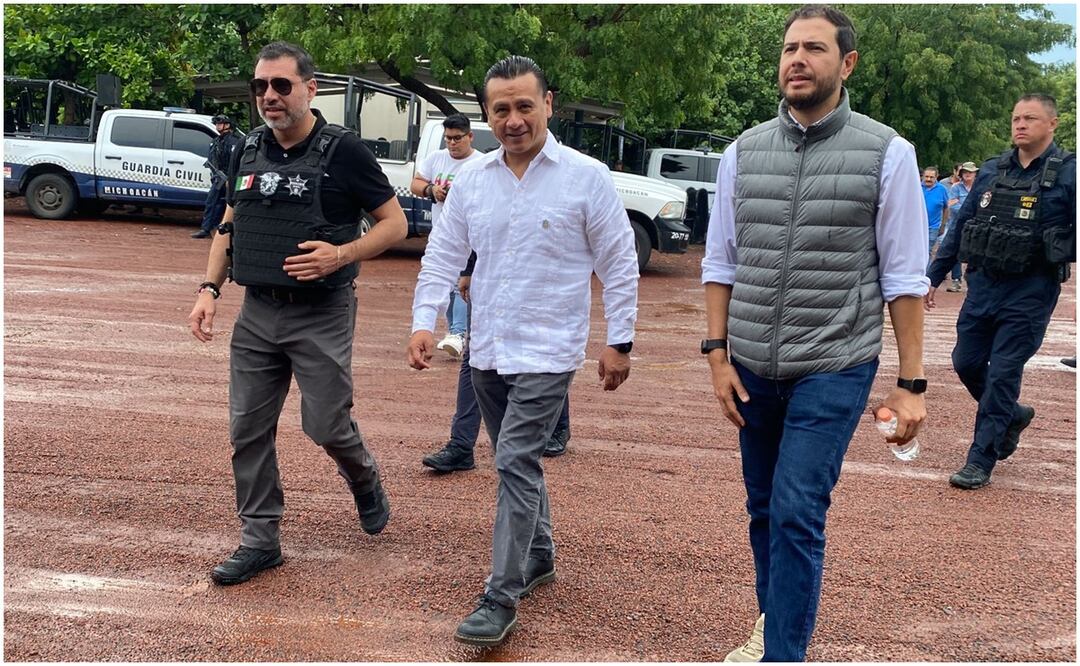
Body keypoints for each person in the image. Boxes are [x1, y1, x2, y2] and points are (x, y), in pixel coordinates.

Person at [702, 5, 928, 661]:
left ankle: (782, 655)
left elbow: (906, 277)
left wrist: (911, 385)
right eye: (789, 48)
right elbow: (721, 261)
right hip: (749, 366)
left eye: (814, 49)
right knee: (765, 510)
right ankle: (775, 626)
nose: (796, 59)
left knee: (798, 510)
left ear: (846, 63)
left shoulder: (887, 153)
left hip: (834, 363)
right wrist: (717, 356)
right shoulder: (742, 152)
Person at [407, 55, 638, 647]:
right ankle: (539, 556)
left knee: (512, 461)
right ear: (488, 114)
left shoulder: (586, 177)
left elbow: (618, 264)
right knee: (520, 463)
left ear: (548, 104)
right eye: (501, 109)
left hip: (549, 350)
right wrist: (423, 321)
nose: (513, 120)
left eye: (524, 106)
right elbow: (442, 254)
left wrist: (619, 341)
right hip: (487, 349)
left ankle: (500, 596)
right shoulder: (474, 181)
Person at [187, 41, 407, 585]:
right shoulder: (248, 150)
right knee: (247, 428)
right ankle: (260, 540)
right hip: (258, 312)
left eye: (281, 85)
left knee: (326, 423)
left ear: (310, 88)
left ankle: (363, 478)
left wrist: (342, 254)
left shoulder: (345, 153)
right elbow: (230, 226)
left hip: (322, 311)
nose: (269, 96)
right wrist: (208, 289)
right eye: (260, 86)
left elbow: (394, 224)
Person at [927, 93, 1075, 489]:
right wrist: (933, 275)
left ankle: (981, 458)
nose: (1020, 124)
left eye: (1030, 118)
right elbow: (961, 227)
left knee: (1003, 373)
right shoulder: (993, 171)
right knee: (965, 361)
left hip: (1031, 289)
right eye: (1016, 118)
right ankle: (1012, 415)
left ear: (1052, 124)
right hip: (984, 285)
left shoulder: (1069, 175)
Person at [421, 268, 572, 473]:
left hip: (535, 277)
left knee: (538, 349)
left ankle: (559, 427)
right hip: (488, 275)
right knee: (475, 354)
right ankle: (462, 444)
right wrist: (469, 269)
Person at [411, 114, 486, 358]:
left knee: (462, 283)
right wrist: (431, 190)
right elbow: (416, 183)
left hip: (471, 234)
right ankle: (454, 331)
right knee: (444, 281)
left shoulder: (480, 164)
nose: (452, 143)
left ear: (470, 136)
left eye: (457, 138)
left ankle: (458, 332)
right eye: (448, 139)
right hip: (442, 231)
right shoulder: (436, 159)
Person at [192, 114, 242, 239]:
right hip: (219, 178)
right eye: (217, 124)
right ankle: (206, 228)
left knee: (232, 204)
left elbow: (236, 161)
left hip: (230, 178)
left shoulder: (234, 141)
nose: (217, 126)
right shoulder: (216, 141)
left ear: (227, 125)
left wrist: (230, 178)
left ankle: (232, 230)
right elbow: (212, 159)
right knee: (211, 202)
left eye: (220, 123)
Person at [942, 161, 979, 291]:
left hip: (975, 227)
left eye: (970, 172)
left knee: (975, 253)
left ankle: (973, 281)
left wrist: (964, 207)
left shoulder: (980, 187)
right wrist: (971, 209)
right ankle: (956, 280)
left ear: (975, 174)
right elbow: (953, 206)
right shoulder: (956, 187)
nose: (967, 174)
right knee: (956, 252)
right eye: (965, 172)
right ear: (961, 174)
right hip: (957, 225)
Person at [922, 166, 950, 270]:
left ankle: (925, 274)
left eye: (931, 177)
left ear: (936, 177)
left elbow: (946, 208)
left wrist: (943, 225)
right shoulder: (917, 187)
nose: (928, 179)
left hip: (933, 226)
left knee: (927, 250)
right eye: (926, 176)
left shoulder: (942, 189)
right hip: (917, 226)